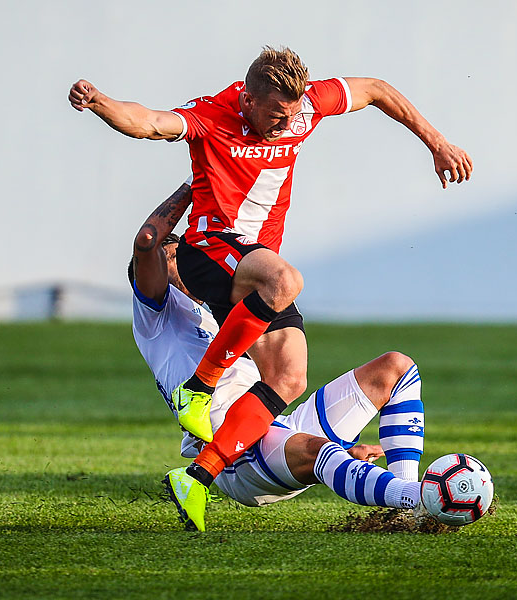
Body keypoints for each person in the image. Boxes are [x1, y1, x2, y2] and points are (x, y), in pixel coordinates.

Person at [69, 46, 468, 517]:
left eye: (292, 115)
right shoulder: (157, 310)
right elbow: (149, 126)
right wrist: (100, 102)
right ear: (248, 102)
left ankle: (401, 511)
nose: (286, 126)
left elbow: (375, 89)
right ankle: (416, 497)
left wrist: (436, 142)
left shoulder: (300, 113)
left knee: (352, 370)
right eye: (276, 115)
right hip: (220, 258)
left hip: (260, 426)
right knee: (286, 280)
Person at [130, 182, 427, 531]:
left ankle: (409, 512)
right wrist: (197, 184)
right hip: (235, 457)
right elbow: (146, 241)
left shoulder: (216, 310)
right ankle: (420, 497)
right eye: (176, 255)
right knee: (318, 451)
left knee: (396, 368)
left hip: (271, 426)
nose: (189, 259)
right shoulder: (157, 315)